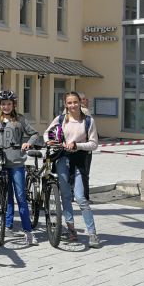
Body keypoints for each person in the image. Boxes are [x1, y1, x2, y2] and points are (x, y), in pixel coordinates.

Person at [0, 90, 40, 246]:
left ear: (13, 104)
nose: (6, 106)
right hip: (0, 162)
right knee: (6, 196)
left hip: (16, 162)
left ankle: (28, 231)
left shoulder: (20, 119)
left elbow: (35, 134)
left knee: (20, 197)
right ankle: (8, 225)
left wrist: (28, 143)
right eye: (3, 104)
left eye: (9, 104)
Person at [44, 91, 101, 248]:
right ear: (65, 104)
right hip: (62, 159)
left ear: (80, 102)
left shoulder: (88, 121)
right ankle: (71, 230)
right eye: (69, 103)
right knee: (66, 196)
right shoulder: (60, 119)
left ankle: (92, 234)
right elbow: (47, 133)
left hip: (79, 161)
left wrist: (77, 145)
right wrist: (50, 141)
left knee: (81, 198)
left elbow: (94, 144)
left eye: (75, 102)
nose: (73, 105)